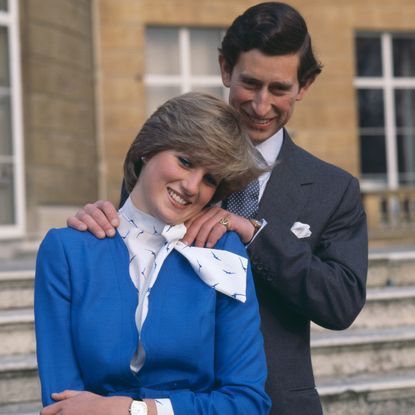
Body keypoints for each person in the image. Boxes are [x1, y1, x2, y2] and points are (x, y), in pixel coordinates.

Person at [67, 2, 368, 414]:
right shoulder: (168, 167)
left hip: (280, 404)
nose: (261, 105)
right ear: (226, 69)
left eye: (279, 89)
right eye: (250, 84)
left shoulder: (334, 190)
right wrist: (98, 229)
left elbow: (341, 304)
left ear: (305, 85)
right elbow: (128, 271)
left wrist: (254, 234)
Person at [35, 92, 271, 415]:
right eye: (185, 161)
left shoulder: (224, 254)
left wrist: (139, 411)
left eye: (210, 179)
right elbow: (61, 404)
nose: (191, 186)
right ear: (148, 149)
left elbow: (247, 402)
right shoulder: (67, 252)